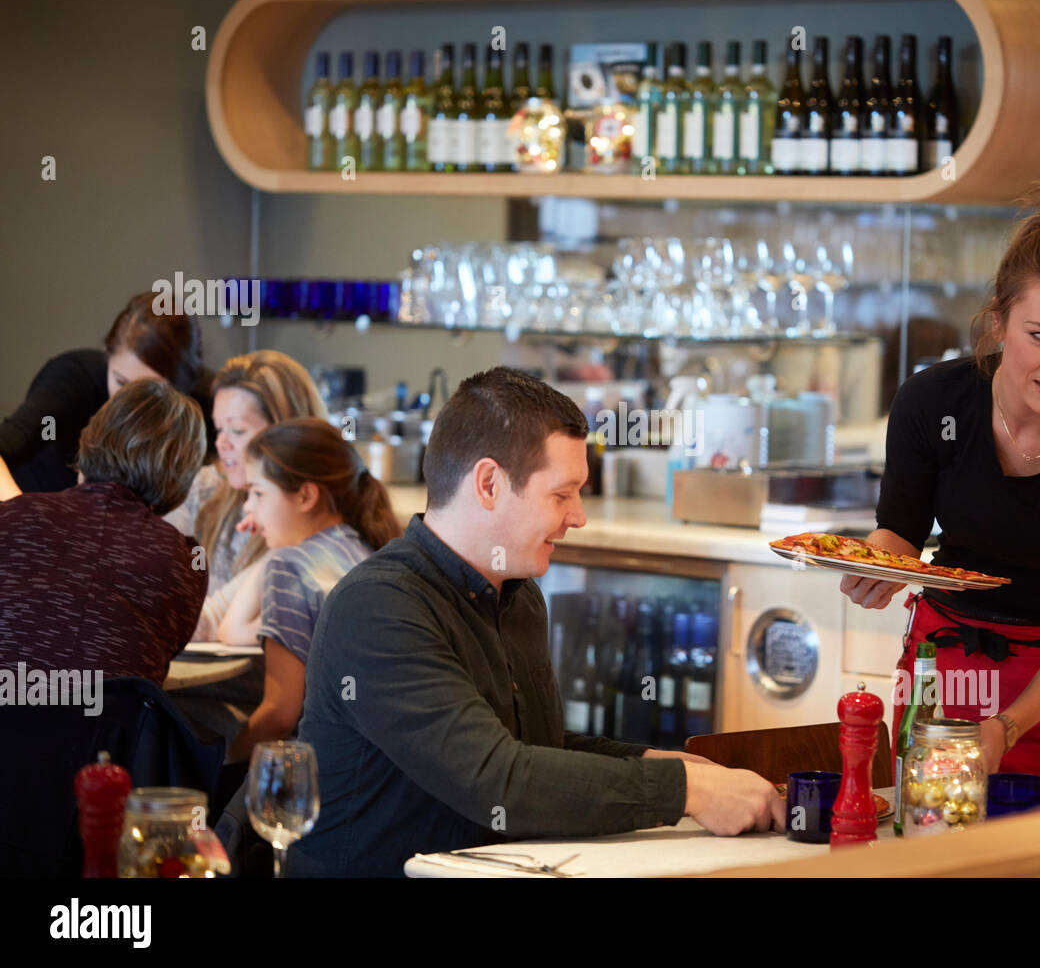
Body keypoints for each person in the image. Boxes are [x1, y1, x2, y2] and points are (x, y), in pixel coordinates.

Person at [287, 367, 783, 877]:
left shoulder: (518, 596)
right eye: (562, 494)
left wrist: (658, 762)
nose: (579, 516)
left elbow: (535, 751)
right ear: (488, 484)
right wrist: (688, 791)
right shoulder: (379, 606)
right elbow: (497, 778)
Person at [841, 179, 1040, 795]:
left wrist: (1006, 728)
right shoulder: (932, 402)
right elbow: (902, 532)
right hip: (948, 663)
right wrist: (874, 564)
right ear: (998, 321)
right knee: (932, 847)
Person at [166, 350, 328, 745]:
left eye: (237, 431)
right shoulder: (207, 487)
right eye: (218, 429)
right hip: (197, 689)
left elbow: (215, 623)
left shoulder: (305, 529)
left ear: (286, 433)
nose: (221, 444)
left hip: (255, 709)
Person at [0, 379, 208, 686]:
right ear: (182, 476)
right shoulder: (185, 561)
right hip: (109, 731)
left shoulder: (11, 516)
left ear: (91, 438)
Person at [221, 418, 402, 762]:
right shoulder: (361, 545)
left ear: (305, 495)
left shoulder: (290, 567)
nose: (248, 507)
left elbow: (279, 715)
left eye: (258, 493)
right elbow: (233, 631)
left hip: (329, 773)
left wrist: (219, 766)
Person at [0, 291, 212, 500]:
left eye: (150, 390)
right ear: (106, 355)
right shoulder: (72, 382)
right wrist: (25, 519)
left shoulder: (207, 405)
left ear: (181, 387)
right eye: (121, 382)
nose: (129, 399)